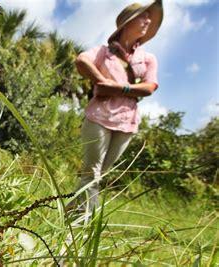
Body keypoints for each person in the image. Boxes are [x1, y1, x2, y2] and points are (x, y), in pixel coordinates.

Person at [70, 0, 164, 213]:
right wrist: (101, 81)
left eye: (149, 17)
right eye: (142, 16)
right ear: (127, 22)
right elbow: (81, 61)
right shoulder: (104, 51)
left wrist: (119, 88)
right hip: (98, 118)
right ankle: (81, 225)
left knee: (99, 175)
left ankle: (70, 212)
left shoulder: (148, 59)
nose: (147, 20)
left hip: (126, 123)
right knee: (91, 173)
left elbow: (149, 87)